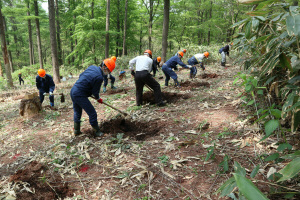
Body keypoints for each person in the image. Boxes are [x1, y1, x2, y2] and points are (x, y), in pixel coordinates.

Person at [70, 58, 115, 137]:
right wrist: (98, 99)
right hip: (80, 94)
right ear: (104, 67)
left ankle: (76, 131)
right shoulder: (99, 77)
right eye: (108, 70)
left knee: (77, 111)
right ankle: (97, 131)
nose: (108, 73)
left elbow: (81, 75)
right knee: (92, 113)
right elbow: (95, 92)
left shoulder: (92, 67)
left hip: (73, 90)